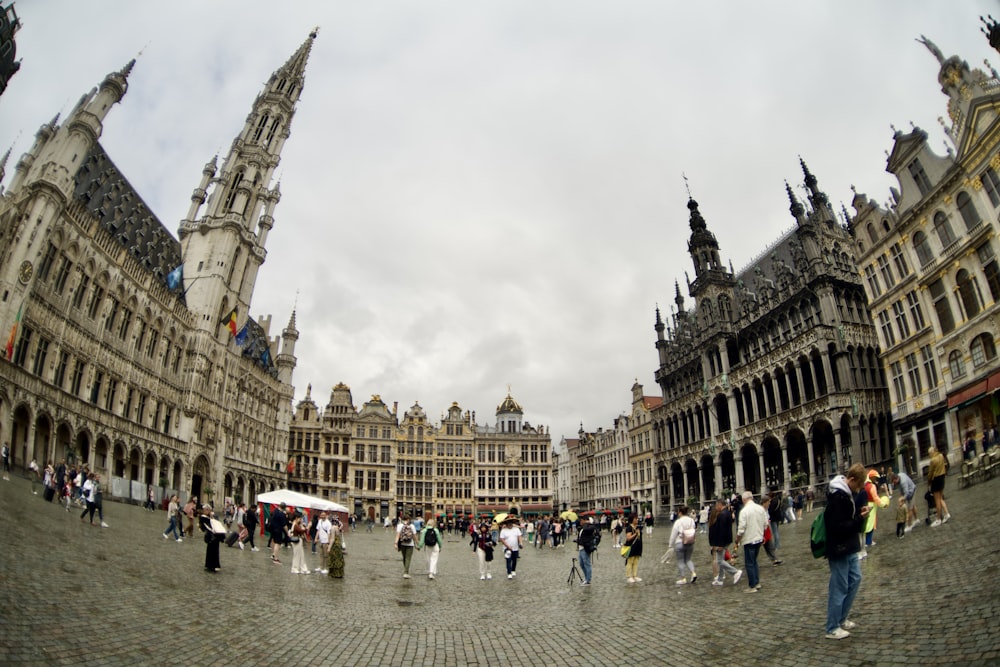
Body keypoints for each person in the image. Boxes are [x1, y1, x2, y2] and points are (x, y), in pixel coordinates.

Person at [824, 464, 870, 639]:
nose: (859, 490)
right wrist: (859, 518)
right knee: (839, 587)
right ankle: (832, 627)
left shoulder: (846, 494)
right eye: (858, 485)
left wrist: (858, 512)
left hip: (848, 546)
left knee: (856, 579)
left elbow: (845, 518)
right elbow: (837, 527)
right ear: (851, 480)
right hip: (839, 548)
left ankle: (841, 618)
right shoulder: (838, 497)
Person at [735, 491, 768, 593]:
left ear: (744, 500)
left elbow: (741, 529)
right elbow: (766, 524)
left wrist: (737, 540)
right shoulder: (760, 508)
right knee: (754, 561)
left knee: (749, 563)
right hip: (759, 538)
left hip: (749, 540)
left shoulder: (744, 511)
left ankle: (752, 585)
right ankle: (757, 582)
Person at [708, 498, 742, 586]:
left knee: (719, 561)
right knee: (721, 559)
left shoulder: (722, 515)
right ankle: (720, 579)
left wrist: (720, 544)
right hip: (727, 539)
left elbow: (722, 530)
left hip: (723, 541)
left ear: (720, 504)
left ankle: (735, 572)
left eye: (716, 505)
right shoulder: (727, 513)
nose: (716, 507)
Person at [927, 447, 951, 527]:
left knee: (937, 500)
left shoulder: (933, 460)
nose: (929, 455)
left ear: (931, 452)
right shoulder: (941, 456)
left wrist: (929, 482)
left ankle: (938, 519)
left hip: (936, 479)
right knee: (941, 498)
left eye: (929, 453)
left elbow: (930, 473)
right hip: (942, 478)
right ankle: (947, 513)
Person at [575, 516, 599, 585]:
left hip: (585, 548)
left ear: (584, 520)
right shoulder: (582, 528)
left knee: (587, 564)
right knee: (581, 564)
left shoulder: (589, 527)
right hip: (580, 548)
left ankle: (588, 579)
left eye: (581, 520)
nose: (580, 522)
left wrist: (587, 523)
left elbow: (591, 529)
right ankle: (586, 578)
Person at [199, 505, 223, 573]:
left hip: (216, 535)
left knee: (215, 550)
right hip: (210, 536)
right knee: (210, 550)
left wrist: (212, 517)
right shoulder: (203, 517)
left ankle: (215, 565)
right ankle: (209, 565)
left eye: (207, 510)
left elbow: (217, 523)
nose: (205, 511)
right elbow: (204, 527)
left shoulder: (213, 516)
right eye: (204, 510)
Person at [623, 514, 643, 583]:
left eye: (637, 518)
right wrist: (635, 534)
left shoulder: (637, 527)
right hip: (631, 547)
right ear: (632, 519)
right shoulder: (629, 528)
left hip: (637, 547)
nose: (637, 520)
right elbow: (628, 538)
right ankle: (629, 576)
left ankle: (634, 575)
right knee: (630, 562)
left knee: (635, 562)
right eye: (635, 518)